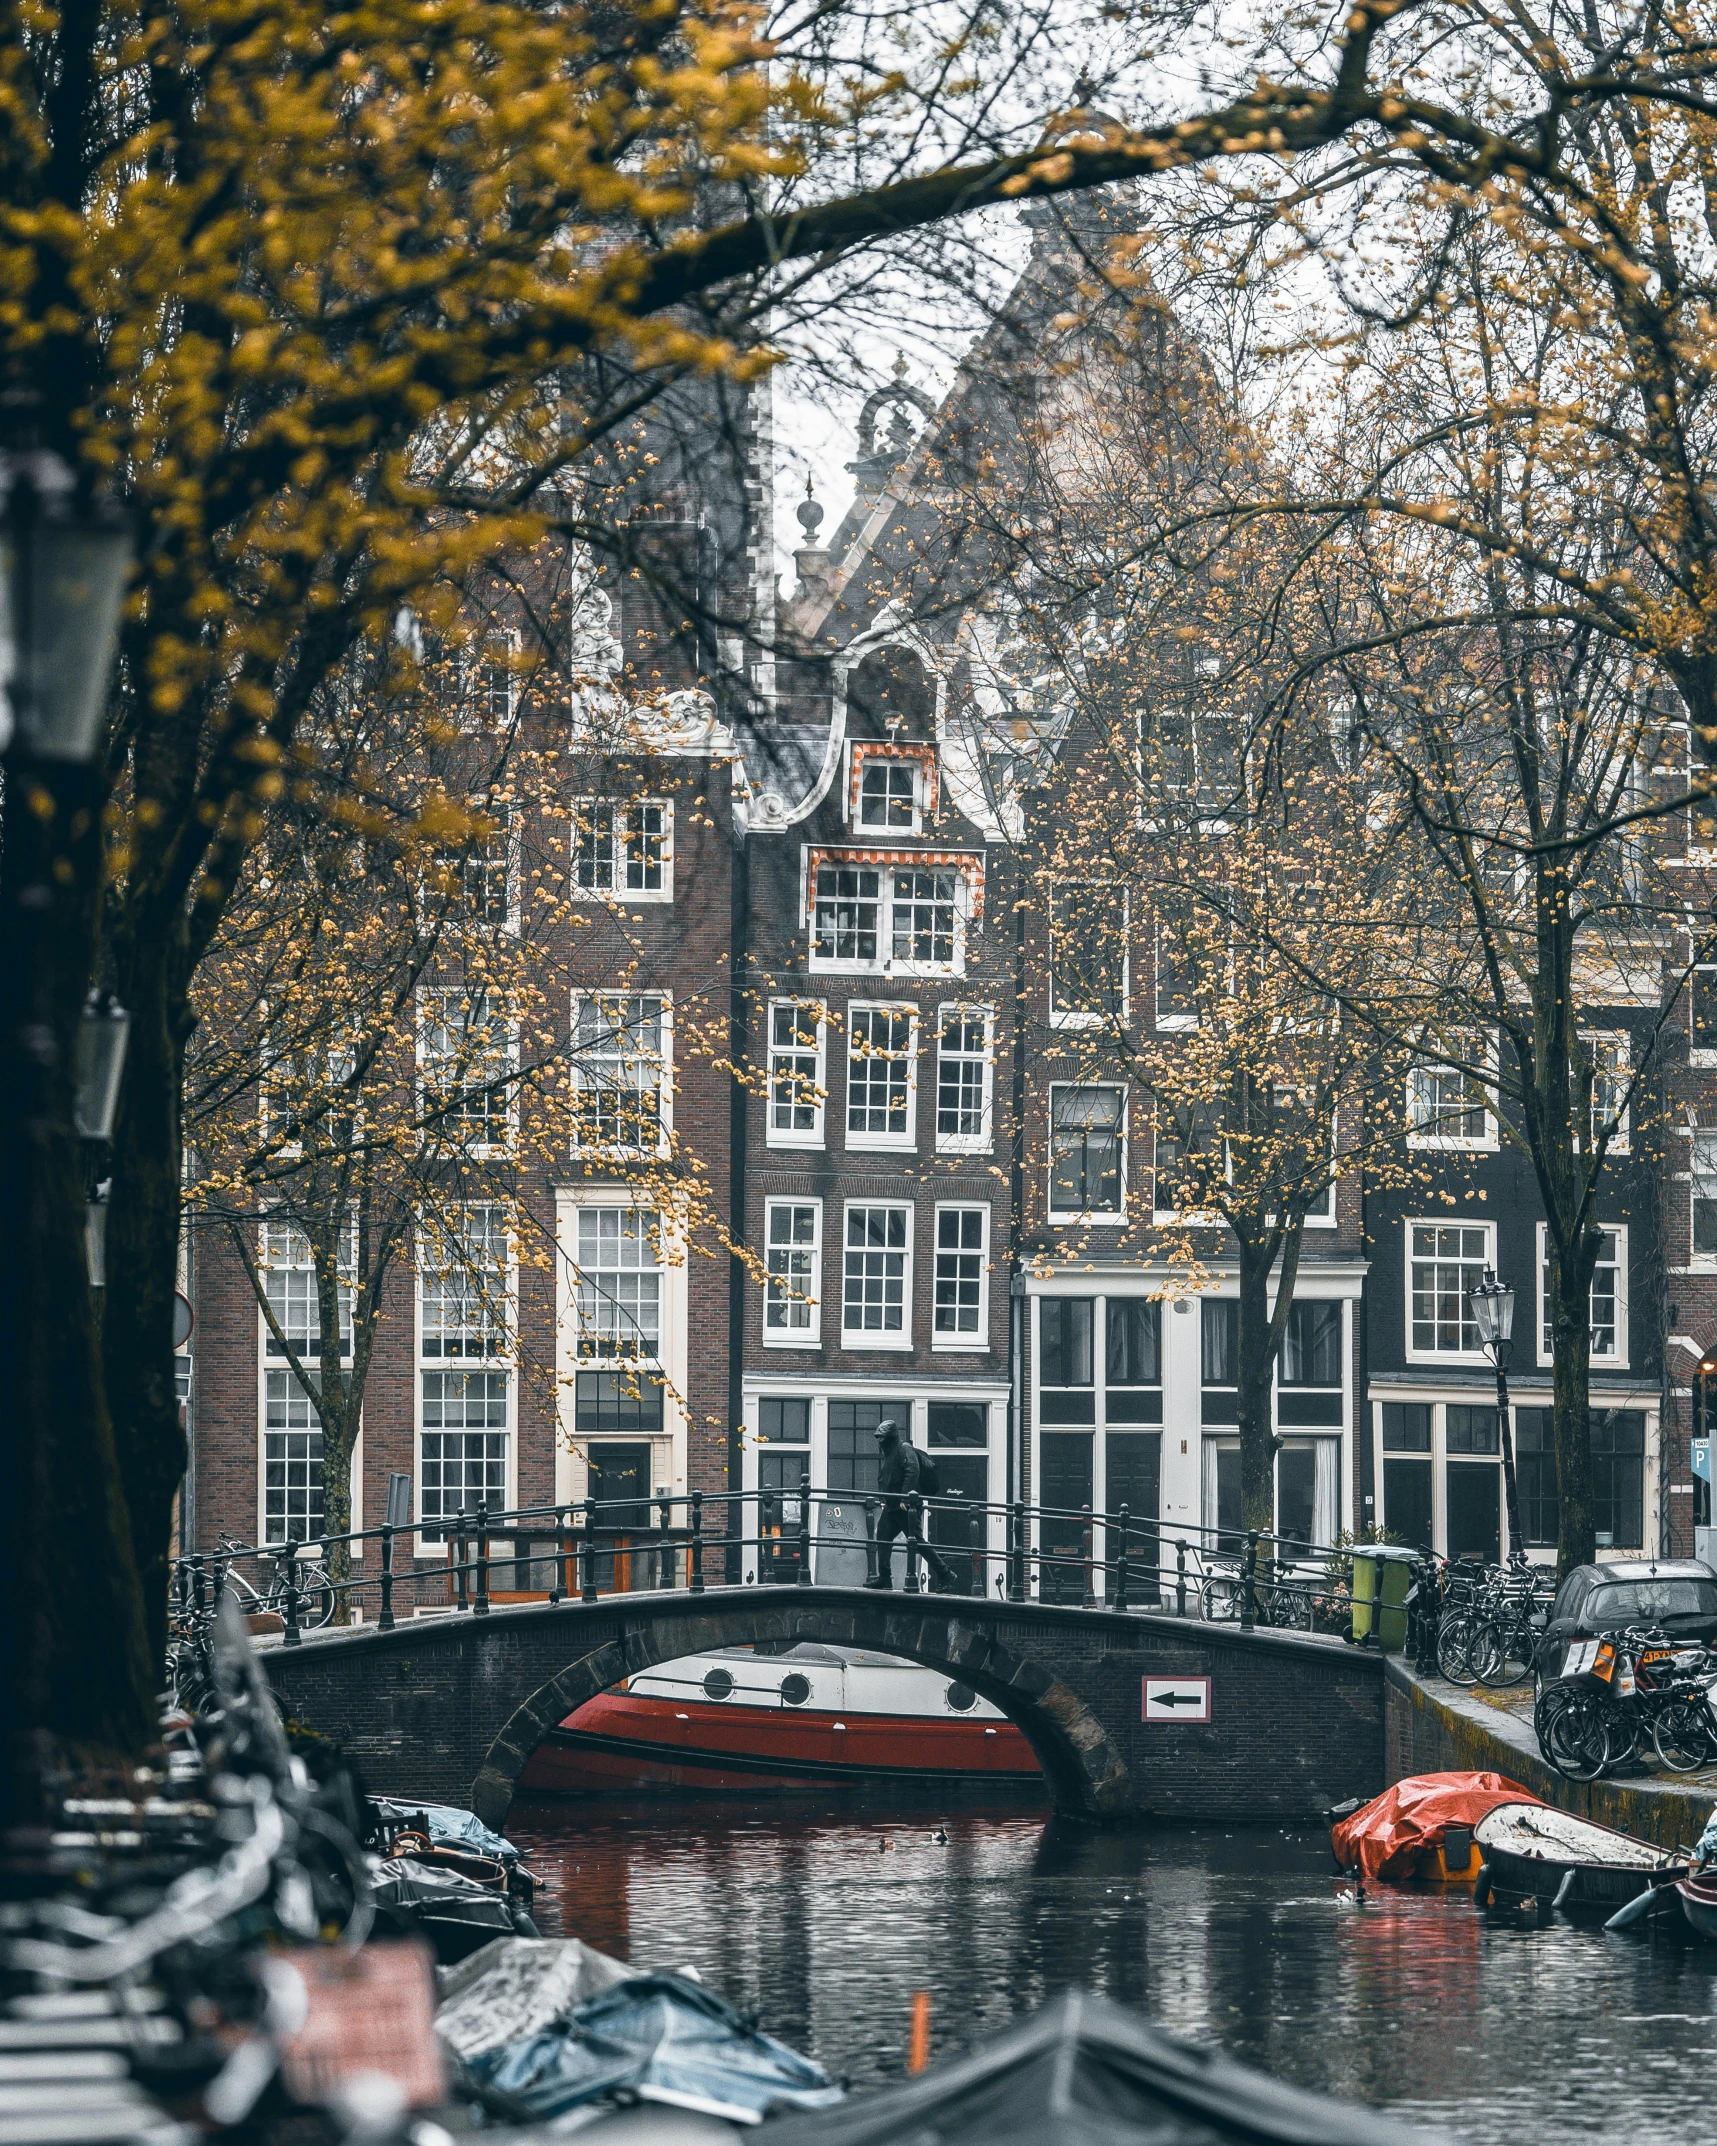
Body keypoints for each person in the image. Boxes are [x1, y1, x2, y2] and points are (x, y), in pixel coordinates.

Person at [864, 1419, 957, 1592]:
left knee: (917, 1542)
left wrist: (905, 1499)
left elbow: (912, 1470)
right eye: (878, 1438)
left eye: (882, 1437)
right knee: (883, 1538)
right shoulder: (891, 1452)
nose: (879, 1441)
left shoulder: (904, 1449)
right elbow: (886, 1477)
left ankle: (946, 1574)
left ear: (890, 1436)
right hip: (892, 1506)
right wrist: (883, 1499)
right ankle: (885, 1578)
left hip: (905, 1507)